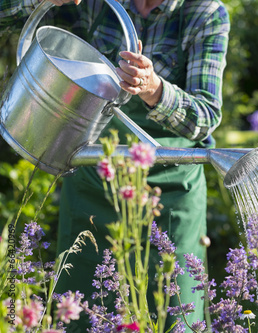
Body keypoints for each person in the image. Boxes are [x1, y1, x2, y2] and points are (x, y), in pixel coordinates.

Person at [0, 0, 229, 329]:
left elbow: (205, 117)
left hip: (170, 191)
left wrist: (154, 89)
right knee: (81, 312)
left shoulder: (203, 12)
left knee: (170, 313)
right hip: (94, 179)